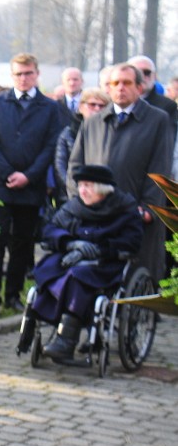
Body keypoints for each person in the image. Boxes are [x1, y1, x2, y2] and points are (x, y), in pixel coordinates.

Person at [67, 62, 173, 283]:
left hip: (136, 214)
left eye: (126, 83)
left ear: (139, 87)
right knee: (94, 276)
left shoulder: (157, 120)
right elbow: (75, 167)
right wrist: (79, 201)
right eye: (115, 83)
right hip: (97, 213)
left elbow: (160, 168)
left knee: (137, 278)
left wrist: (148, 209)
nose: (120, 88)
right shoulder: (94, 122)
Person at [33, 165, 143, 361]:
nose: (82, 190)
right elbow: (50, 229)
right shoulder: (75, 206)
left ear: (102, 188)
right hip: (70, 257)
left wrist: (99, 250)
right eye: (81, 185)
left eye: (88, 186)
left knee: (77, 277)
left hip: (105, 264)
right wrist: (71, 243)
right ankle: (37, 328)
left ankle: (66, 341)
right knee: (49, 271)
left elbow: (131, 242)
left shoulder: (124, 208)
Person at [0, 53, 62, 317]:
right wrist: (7, 173)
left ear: (37, 74)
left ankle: (12, 294)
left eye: (28, 73)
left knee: (23, 243)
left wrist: (28, 175)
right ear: (11, 76)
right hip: (0, 184)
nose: (24, 79)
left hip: (31, 185)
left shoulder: (49, 108)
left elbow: (52, 145)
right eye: (18, 74)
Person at [53, 87, 109, 205]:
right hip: (71, 196)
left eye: (102, 105)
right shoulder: (68, 133)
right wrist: (79, 190)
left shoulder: (110, 133)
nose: (97, 109)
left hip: (104, 195)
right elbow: (60, 167)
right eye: (92, 105)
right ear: (81, 106)